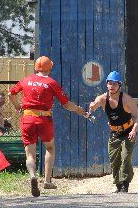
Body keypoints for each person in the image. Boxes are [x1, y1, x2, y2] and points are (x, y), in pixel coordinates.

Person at [9, 55, 89, 197]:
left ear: (35, 68)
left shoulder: (26, 80)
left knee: (30, 154)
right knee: (50, 148)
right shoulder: (51, 83)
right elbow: (66, 104)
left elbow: (11, 93)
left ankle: (33, 176)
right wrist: (79, 110)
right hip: (44, 119)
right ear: (50, 68)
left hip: (27, 118)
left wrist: (17, 106)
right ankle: (47, 180)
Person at [87, 71, 138, 193]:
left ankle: (125, 184)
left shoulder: (126, 99)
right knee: (114, 160)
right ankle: (118, 184)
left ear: (119, 85)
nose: (112, 86)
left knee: (125, 157)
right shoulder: (102, 98)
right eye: (109, 84)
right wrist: (91, 109)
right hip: (114, 133)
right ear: (106, 85)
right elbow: (92, 108)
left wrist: (134, 131)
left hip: (128, 132)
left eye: (114, 84)